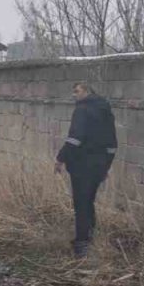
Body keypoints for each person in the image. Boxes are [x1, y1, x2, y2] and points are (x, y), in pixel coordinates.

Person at [56, 83, 117, 258]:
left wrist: (60, 159)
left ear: (87, 92)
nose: (74, 95)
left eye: (77, 91)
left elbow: (75, 139)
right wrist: (106, 166)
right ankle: (90, 238)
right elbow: (112, 144)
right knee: (89, 201)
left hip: (81, 164)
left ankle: (82, 244)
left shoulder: (82, 110)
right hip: (99, 165)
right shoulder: (106, 110)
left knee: (81, 203)